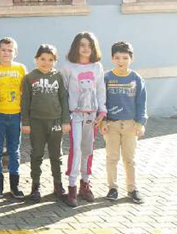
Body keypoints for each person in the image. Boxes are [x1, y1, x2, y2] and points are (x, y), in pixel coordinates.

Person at [62, 31, 107, 207]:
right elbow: (63, 92)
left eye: (89, 45)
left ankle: (85, 183)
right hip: (75, 115)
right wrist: (65, 115)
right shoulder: (68, 67)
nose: (86, 48)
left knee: (88, 148)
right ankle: (72, 185)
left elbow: (101, 89)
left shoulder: (97, 67)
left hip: (92, 116)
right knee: (76, 148)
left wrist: (102, 111)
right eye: (82, 45)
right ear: (76, 47)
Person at [21, 44, 70, 203]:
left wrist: (65, 120)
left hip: (55, 121)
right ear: (36, 59)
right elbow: (25, 101)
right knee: (37, 154)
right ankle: (35, 186)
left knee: (56, 155)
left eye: (50, 59)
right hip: (36, 122)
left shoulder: (58, 77)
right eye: (43, 59)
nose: (46, 62)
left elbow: (63, 99)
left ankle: (58, 185)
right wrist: (25, 122)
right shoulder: (29, 78)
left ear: (55, 61)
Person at [100, 41, 147, 204]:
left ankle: (132, 189)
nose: (121, 61)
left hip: (130, 125)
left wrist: (140, 123)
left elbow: (141, 102)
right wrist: (102, 121)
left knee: (130, 159)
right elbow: (101, 101)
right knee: (112, 157)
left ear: (131, 59)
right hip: (111, 125)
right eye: (117, 58)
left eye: (125, 58)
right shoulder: (107, 78)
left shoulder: (136, 79)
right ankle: (112, 188)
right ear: (112, 59)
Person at [0, 37, 26, 199]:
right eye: (3, 50)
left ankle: (14, 184)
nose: (6, 53)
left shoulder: (21, 69)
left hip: (16, 115)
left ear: (15, 52)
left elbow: (25, 92)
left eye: (10, 50)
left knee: (14, 150)